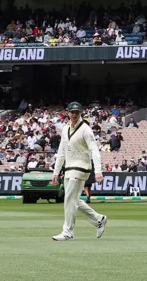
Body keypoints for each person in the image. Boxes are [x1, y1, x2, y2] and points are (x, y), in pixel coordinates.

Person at [50, 102, 107, 241]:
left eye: (77, 112)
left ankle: (68, 232)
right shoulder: (65, 129)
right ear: (68, 113)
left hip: (82, 167)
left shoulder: (86, 129)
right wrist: (56, 172)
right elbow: (61, 152)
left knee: (69, 199)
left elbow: (94, 149)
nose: (74, 114)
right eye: (72, 112)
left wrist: (98, 170)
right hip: (69, 168)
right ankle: (99, 219)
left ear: (81, 113)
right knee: (73, 199)